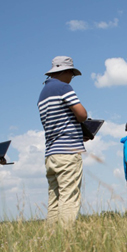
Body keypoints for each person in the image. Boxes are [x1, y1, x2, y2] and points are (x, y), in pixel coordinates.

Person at [38, 56, 88, 224]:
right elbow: (82, 115)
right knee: (69, 198)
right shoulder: (64, 87)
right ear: (65, 71)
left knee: (54, 200)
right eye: (71, 74)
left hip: (51, 154)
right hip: (68, 152)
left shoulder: (42, 93)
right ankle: (66, 240)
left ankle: (51, 239)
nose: (72, 78)